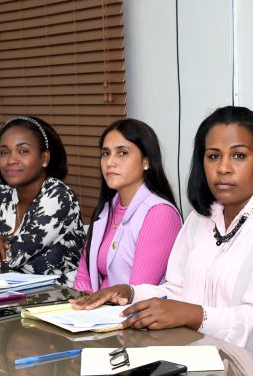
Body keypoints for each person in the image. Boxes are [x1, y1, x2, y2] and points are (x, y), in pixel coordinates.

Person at [72, 106, 253, 350]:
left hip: (248, 366)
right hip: (191, 355)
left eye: (238, 156)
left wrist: (195, 316)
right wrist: (130, 292)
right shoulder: (200, 217)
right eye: (213, 156)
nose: (223, 168)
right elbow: (177, 291)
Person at [0, 116, 84, 276]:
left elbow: (11, 257)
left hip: (59, 289)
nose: (11, 160)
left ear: (44, 158)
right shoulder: (0, 193)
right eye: (4, 152)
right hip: (2, 286)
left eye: (23, 151)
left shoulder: (58, 196)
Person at [73, 119, 182, 293]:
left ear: (146, 161)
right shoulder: (107, 207)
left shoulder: (160, 213)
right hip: (98, 308)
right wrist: (78, 304)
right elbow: (83, 278)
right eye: (106, 153)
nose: (110, 162)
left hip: (129, 309)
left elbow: (136, 293)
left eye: (122, 153)